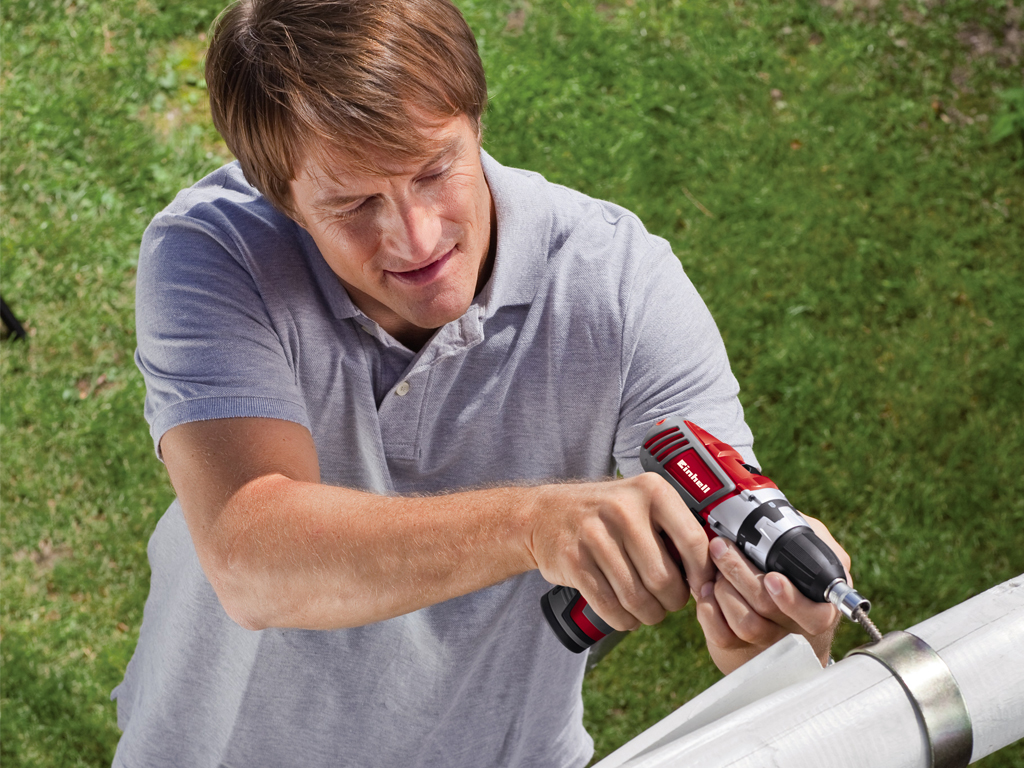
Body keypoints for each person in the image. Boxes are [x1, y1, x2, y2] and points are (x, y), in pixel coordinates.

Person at [111, 0, 851, 765]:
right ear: (284, 203)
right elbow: (251, 558)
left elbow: (732, 499)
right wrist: (534, 523)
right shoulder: (212, 253)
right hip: (216, 743)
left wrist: (771, 627)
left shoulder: (623, 288)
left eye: (435, 171)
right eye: (355, 203)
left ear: (476, 121)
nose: (417, 238)